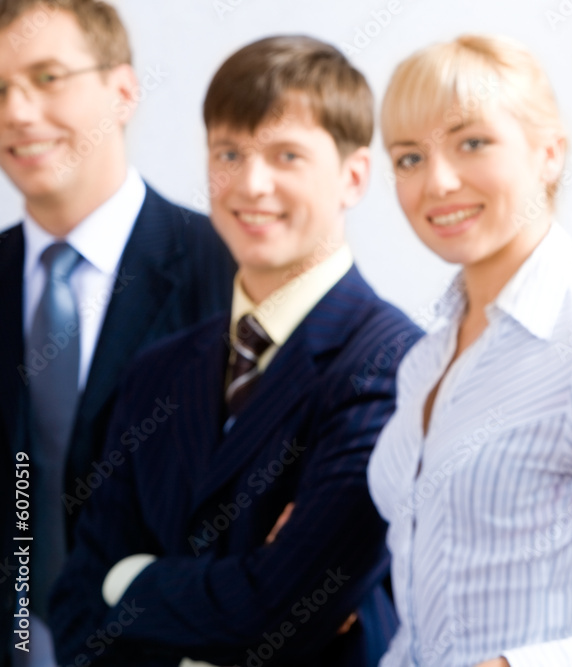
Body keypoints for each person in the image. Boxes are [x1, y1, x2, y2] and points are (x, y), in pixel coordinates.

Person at [50, 35, 421, 666]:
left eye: (286, 156)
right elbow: (75, 606)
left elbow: (280, 609)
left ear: (353, 176)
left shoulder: (391, 366)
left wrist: (130, 582)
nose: (251, 183)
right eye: (229, 152)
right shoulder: (159, 371)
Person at [368, 34, 572, 667]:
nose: (438, 181)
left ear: (549, 153)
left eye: (472, 142)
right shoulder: (424, 360)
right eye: (408, 158)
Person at [0, 0, 234, 664]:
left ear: (123, 91)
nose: (17, 111)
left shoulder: (226, 267)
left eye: (48, 77)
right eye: (0, 89)